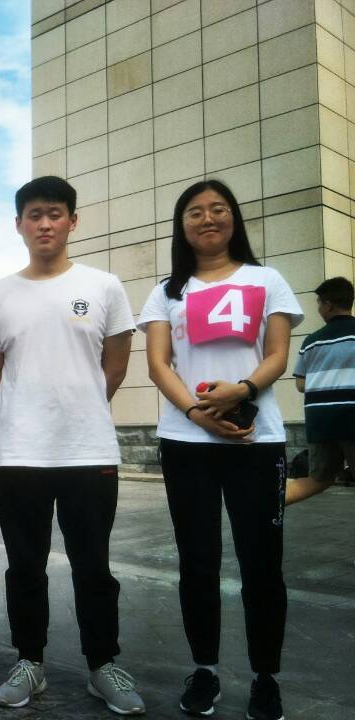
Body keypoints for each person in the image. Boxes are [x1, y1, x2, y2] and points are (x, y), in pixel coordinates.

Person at [0, 176, 143, 715]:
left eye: (54, 213)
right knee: (25, 566)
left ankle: (103, 665)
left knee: (94, 565)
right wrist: (30, 411)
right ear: (19, 224)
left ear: (72, 220)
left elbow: (115, 366)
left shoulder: (104, 286)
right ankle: (30, 662)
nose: (44, 224)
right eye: (34, 215)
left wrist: (78, 406)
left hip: (87, 451)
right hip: (17, 453)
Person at [138, 179, 303, 720]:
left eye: (218, 209)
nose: (207, 219)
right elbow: (159, 363)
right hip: (187, 442)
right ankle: (205, 669)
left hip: (257, 440)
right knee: (197, 560)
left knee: (263, 563)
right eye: (195, 212)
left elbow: (277, 355)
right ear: (180, 224)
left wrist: (243, 391)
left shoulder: (267, 279)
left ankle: (265, 678)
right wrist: (196, 413)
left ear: (234, 217)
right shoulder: (167, 291)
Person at [289, 276, 355, 504]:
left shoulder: (311, 341)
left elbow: (300, 384)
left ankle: (266, 505)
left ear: (328, 305)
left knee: (318, 479)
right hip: (352, 416)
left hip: (320, 422)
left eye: (319, 303)